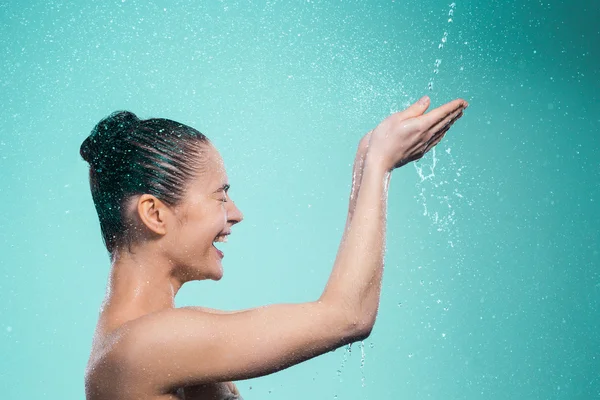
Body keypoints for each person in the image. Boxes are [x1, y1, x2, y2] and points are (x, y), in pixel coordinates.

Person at [82, 95, 468, 400]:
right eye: (221, 196)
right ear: (155, 213)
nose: (236, 214)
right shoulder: (142, 348)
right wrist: (378, 166)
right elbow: (349, 316)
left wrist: (365, 163)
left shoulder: (144, 341)